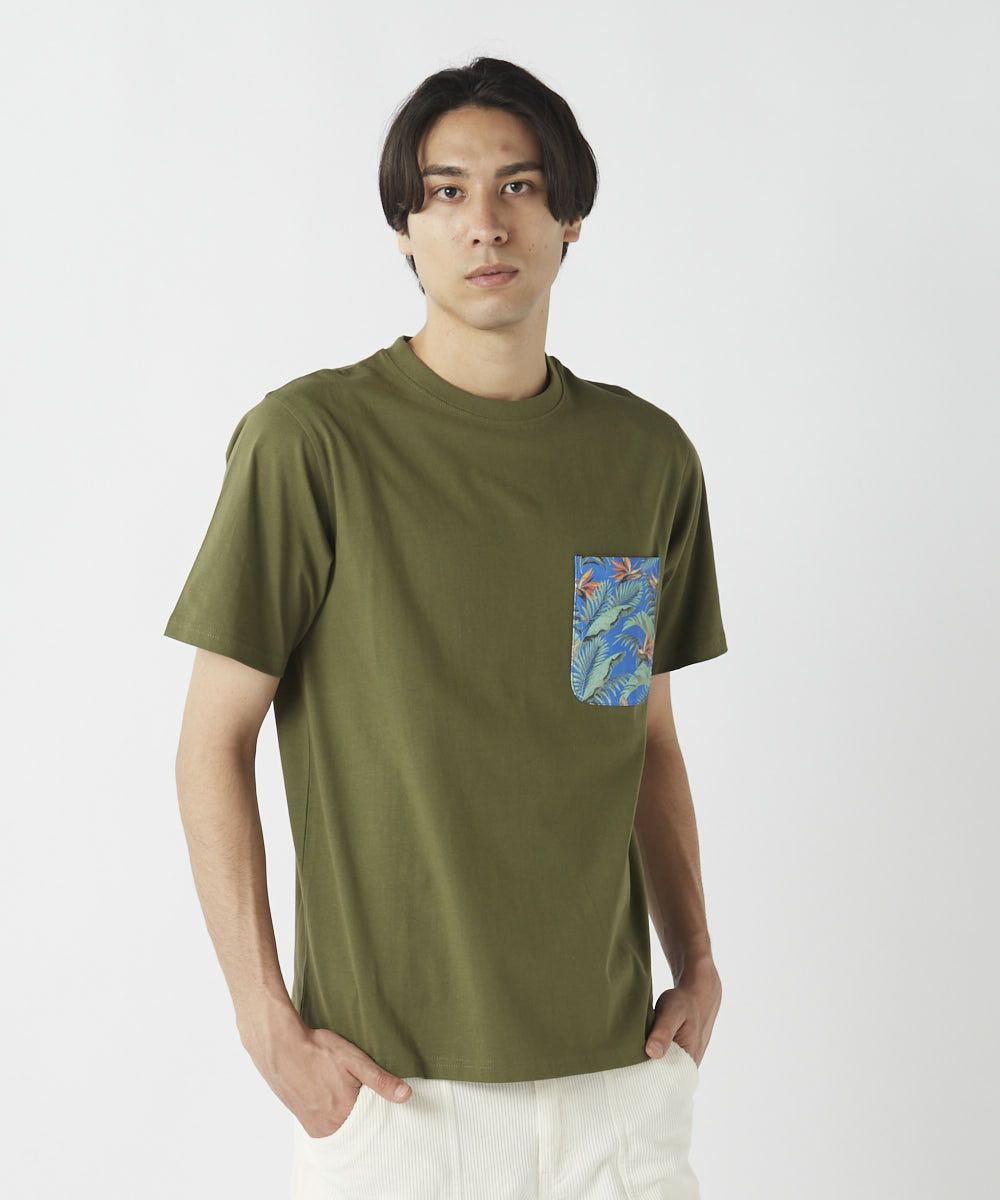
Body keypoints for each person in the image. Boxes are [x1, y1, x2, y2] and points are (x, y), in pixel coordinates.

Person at [164, 55, 728, 1200]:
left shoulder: (639, 459)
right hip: (395, 1097)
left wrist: (700, 962)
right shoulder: (310, 443)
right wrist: (266, 1023)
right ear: (405, 230)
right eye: (445, 191)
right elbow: (212, 742)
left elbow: (638, 732)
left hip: (618, 1082)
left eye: (520, 186)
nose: (485, 222)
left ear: (571, 218)